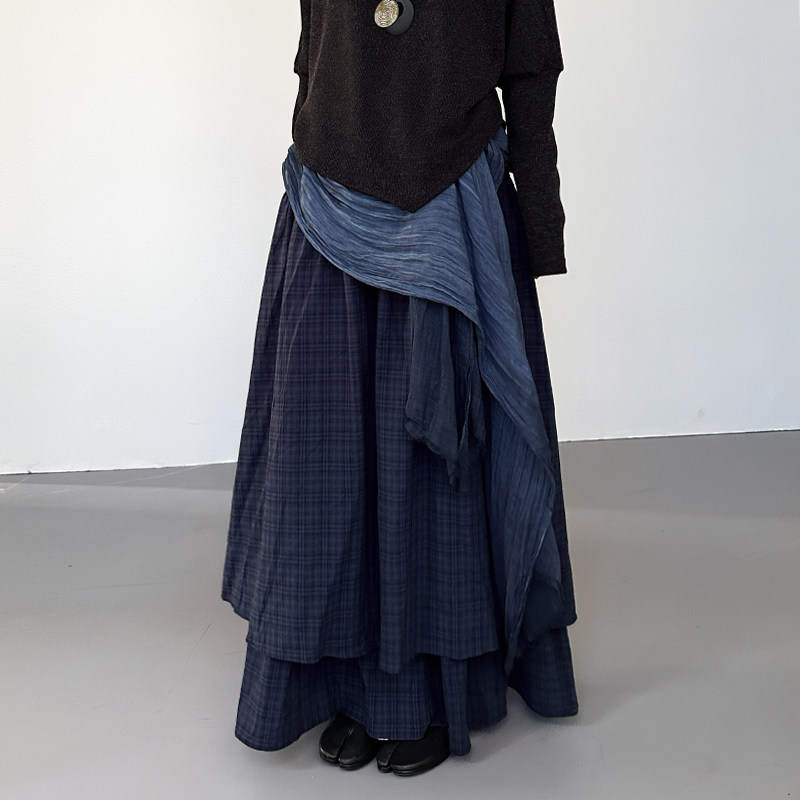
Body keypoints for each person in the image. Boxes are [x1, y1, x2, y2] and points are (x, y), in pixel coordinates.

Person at [222, 0, 578, 778]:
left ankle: (429, 694)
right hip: (333, 193)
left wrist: (539, 224)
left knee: (435, 466)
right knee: (328, 468)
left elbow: (530, 65)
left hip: (449, 196)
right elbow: (315, 45)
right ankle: (344, 685)